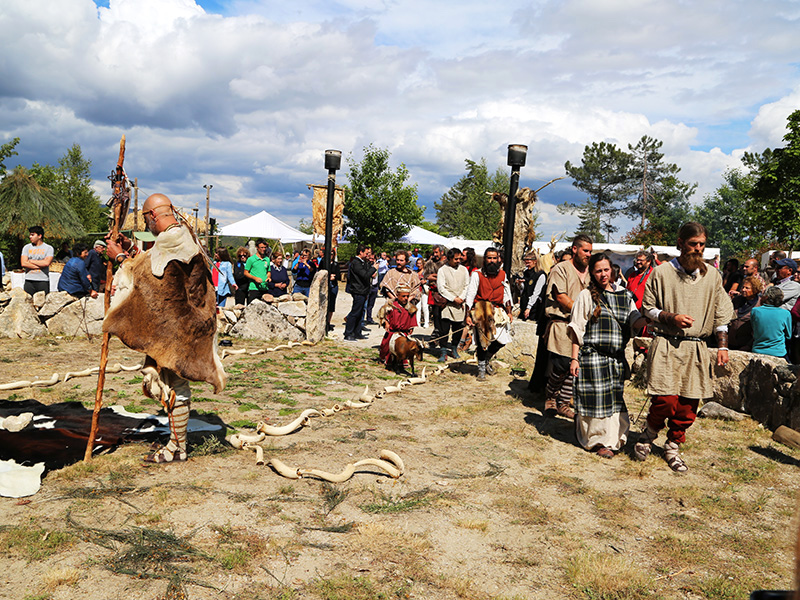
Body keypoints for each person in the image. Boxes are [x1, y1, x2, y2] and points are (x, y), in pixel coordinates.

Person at [103, 193, 226, 463]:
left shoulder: (172, 239)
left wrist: (121, 256)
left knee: (176, 384)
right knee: (171, 382)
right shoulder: (180, 237)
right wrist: (134, 254)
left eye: (146, 219)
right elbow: (157, 266)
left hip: (179, 327)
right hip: (186, 323)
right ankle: (176, 444)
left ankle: (177, 448)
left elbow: (149, 281)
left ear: (153, 216)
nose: (146, 225)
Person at [636, 222, 734, 472]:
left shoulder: (713, 276)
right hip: (667, 343)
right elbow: (648, 308)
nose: (698, 249)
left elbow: (722, 313)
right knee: (665, 400)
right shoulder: (661, 273)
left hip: (697, 347)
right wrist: (672, 317)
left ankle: (673, 446)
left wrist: (722, 346)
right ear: (680, 243)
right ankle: (649, 433)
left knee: (689, 405)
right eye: (693, 244)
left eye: (701, 244)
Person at [569, 254, 645, 458]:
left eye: (606, 269)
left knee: (613, 401)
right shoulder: (586, 296)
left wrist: (651, 318)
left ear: (612, 270)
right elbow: (577, 329)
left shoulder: (625, 295)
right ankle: (597, 441)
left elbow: (634, 320)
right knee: (596, 401)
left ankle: (613, 440)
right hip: (592, 357)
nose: (603, 274)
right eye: (598, 271)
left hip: (616, 359)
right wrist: (574, 359)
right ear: (592, 274)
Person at [534, 235, 593, 418]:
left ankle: (564, 403)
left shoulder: (592, 272)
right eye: (585, 251)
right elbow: (560, 296)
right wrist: (582, 310)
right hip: (562, 324)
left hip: (583, 326)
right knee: (561, 364)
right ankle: (551, 397)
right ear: (574, 249)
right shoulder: (561, 269)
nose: (589, 255)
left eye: (591, 251)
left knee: (574, 367)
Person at [465, 247, 513, 381]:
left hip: (498, 310)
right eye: (489, 258)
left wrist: (509, 312)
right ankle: (481, 370)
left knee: (503, 340)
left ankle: (485, 360)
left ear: (499, 259)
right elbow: (470, 295)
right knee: (483, 341)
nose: (492, 261)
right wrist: (468, 315)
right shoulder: (477, 274)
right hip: (482, 309)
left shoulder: (503, 274)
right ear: (485, 259)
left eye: (494, 258)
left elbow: (506, 295)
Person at [436, 248, 469, 361]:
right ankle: (443, 351)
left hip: (460, 304)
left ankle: (454, 348)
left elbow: (466, 286)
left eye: (460, 258)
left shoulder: (464, 270)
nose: (458, 261)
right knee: (444, 330)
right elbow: (441, 288)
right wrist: (453, 298)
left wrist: (461, 298)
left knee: (458, 329)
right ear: (449, 258)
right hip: (447, 304)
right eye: (456, 259)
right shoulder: (442, 270)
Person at [379, 284, 418, 370]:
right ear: (397, 295)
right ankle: (385, 359)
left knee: (403, 347)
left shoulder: (410, 308)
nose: (405, 298)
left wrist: (411, 327)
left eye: (407, 296)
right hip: (392, 331)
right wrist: (386, 322)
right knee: (385, 345)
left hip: (403, 333)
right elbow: (383, 315)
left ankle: (402, 361)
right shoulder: (391, 306)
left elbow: (412, 319)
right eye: (403, 296)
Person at [344, 244, 375, 342]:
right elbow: (365, 275)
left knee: (361, 312)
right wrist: (374, 268)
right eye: (366, 253)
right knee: (355, 312)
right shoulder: (356, 263)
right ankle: (348, 333)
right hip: (358, 290)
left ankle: (357, 332)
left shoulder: (363, 262)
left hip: (363, 290)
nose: (368, 255)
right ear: (361, 252)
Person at [751, 286, 792, 361]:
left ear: (766, 297)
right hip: (779, 353)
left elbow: (754, 329)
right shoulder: (786, 313)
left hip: (758, 351)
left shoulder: (755, 311)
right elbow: (789, 335)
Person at [729, 276, 763, 351]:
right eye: (743, 287)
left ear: (755, 290)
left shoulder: (760, 304)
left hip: (746, 344)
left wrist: (749, 345)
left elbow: (759, 328)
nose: (743, 290)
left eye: (747, 288)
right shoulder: (736, 301)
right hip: (731, 342)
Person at [423, 245, 447, 346]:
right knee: (436, 315)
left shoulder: (447, 263)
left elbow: (447, 277)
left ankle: (442, 336)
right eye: (434, 253)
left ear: (442, 252)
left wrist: (435, 277)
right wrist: (430, 277)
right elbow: (426, 276)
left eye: (437, 252)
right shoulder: (430, 263)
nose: (435, 255)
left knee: (444, 316)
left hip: (445, 292)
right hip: (434, 292)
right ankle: (436, 334)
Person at [21, 226, 54, 296]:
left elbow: (46, 263)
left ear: (39, 236)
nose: (30, 237)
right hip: (29, 280)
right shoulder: (26, 247)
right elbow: (23, 263)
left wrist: (31, 261)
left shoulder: (48, 248)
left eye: (32, 235)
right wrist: (39, 265)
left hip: (43, 280)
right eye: (30, 235)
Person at [518, 252, 546, 321]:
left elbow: (536, 293)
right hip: (524, 305)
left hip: (534, 308)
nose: (526, 264)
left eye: (528, 262)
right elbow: (524, 290)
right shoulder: (526, 273)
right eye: (525, 262)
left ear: (535, 261)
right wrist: (520, 284)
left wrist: (529, 307)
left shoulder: (540, 275)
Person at [364, 248, 379, 325]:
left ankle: (369, 318)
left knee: (371, 304)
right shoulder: (368, 265)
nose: (371, 260)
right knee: (365, 304)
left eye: (373, 258)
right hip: (369, 286)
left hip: (375, 286)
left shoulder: (376, 265)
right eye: (370, 258)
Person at [326, 249, 340, 332]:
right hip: (326, 285)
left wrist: (334, 277)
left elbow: (338, 275)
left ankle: (328, 322)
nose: (331, 255)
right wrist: (329, 276)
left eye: (332, 254)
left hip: (333, 285)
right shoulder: (324, 263)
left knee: (331, 304)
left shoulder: (335, 264)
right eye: (329, 254)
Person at [416, 257, 430, 328]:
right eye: (417, 263)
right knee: (417, 307)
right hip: (417, 291)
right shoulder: (415, 272)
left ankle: (426, 322)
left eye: (420, 263)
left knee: (425, 306)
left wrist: (425, 281)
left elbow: (430, 280)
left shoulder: (426, 272)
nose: (419, 265)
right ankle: (417, 322)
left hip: (424, 291)